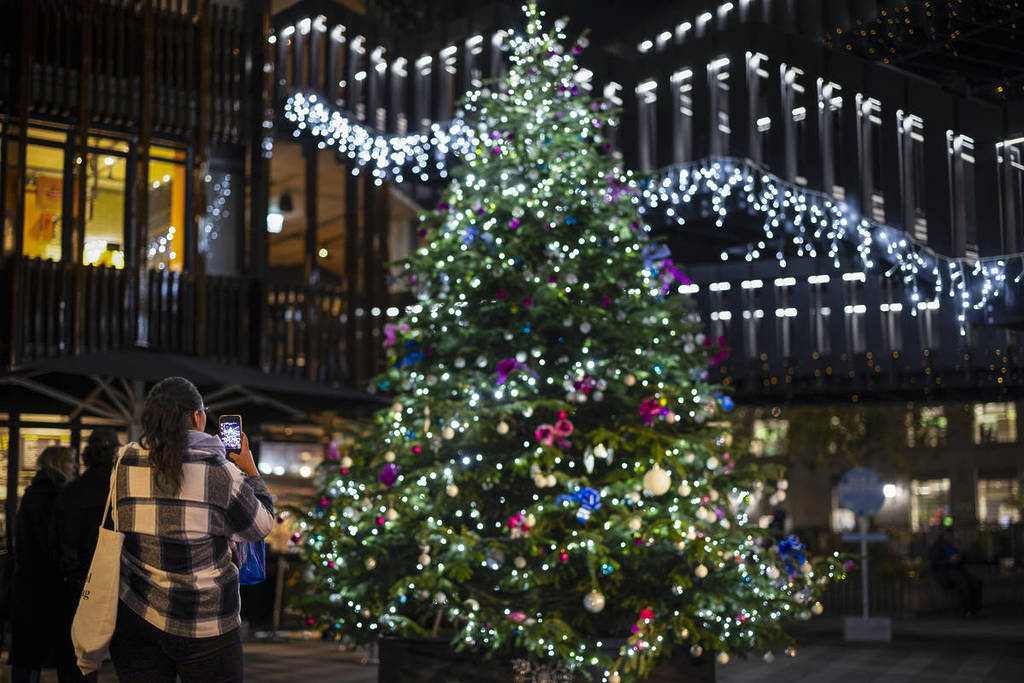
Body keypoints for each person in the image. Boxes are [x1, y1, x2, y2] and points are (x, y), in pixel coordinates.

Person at [108, 377, 274, 683]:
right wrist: (250, 470)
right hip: (207, 621)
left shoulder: (125, 461)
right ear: (197, 416)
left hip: (137, 612)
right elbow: (260, 525)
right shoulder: (218, 471)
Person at [51, 429, 121, 683]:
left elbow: (58, 540)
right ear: (114, 453)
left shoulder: (70, 491)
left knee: (82, 656)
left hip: (79, 581)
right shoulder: (118, 491)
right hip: (115, 581)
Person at [10, 445, 80, 683]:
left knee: (28, 653)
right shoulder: (61, 494)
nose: (75, 467)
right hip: (54, 584)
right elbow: (60, 541)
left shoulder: (31, 494)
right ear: (60, 464)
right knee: (66, 653)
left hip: (28, 584)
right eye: (71, 462)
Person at [928, 527, 982, 617]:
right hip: (945, 572)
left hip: (958, 570)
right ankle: (966, 610)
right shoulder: (938, 546)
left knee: (976, 582)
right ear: (944, 535)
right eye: (949, 535)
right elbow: (935, 563)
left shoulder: (955, 544)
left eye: (952, 535)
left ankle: (976, 609)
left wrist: (961, 552)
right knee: (962, 582)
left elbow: (966, 560)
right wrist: (948, 561)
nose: (951, 537)